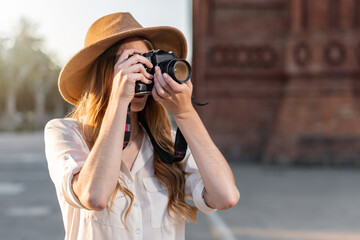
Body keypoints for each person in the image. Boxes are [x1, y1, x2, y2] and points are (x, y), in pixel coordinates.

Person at [44, 12, 239, 240]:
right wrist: (119, 101)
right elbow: (94, 196)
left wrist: (185, 113)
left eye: (147, 61)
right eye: (131, 62)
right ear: (103, 74)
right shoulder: (65, 132)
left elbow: (226, 197)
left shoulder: (167, 143)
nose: (142, 71)